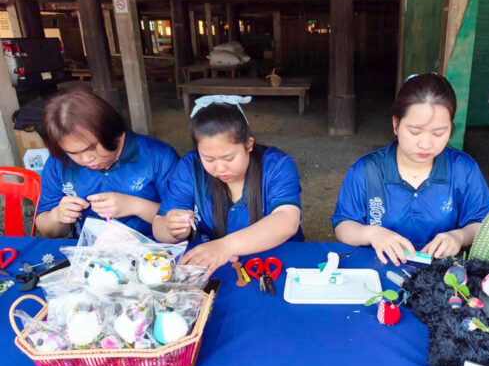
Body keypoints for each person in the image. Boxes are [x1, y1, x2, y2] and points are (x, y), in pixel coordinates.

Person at [331, 73, 489, 265]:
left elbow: (484, 224)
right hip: (377, 268)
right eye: (415, 132)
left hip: (443, 272)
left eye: (438, 133)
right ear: (396, 124)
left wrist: (460, 236)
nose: (426, 144)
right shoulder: (367, 170)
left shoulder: (463, 169)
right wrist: (372, 233)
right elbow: (343, 225)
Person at [153, 95, 303, 277]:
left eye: (229, 158)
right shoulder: (191, 167)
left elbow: (287, 220)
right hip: (212, 265)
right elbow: (159, 227)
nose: (220, 168)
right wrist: (172, 229)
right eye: (208, 159)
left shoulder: (277, 165)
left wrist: (226, 246)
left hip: (274, 263)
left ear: (248, 144)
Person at [36, 88, 179, 238]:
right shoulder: (59, 162)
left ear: (111, 131)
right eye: (73, 153)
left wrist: (135, 206)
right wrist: (57, 216)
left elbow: (183, 223)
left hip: (151, 249)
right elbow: (47, 230)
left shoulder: (158, 156)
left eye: (91, 148)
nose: (85, 159)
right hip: (88, 250)